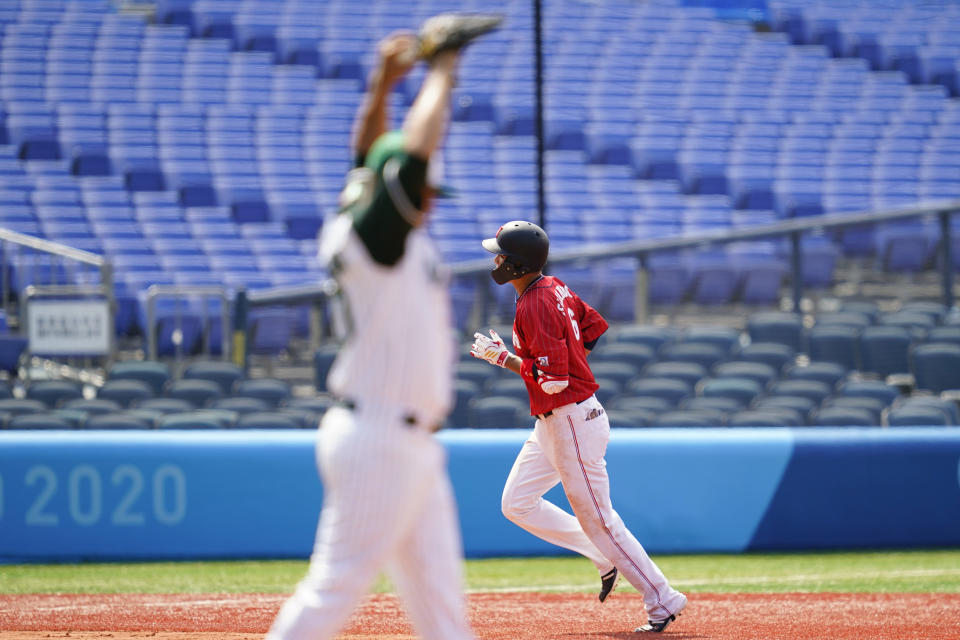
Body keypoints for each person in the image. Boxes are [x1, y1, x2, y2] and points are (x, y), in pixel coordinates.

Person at [266, 13, 503, 640]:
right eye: (423, 191)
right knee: (333, 589)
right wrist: (443, 69)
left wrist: (381, 85)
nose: (430, 201)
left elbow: (367, 156)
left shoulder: (362, 214)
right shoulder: (379, 238)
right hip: (379, 437)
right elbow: (411, 155)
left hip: (405, 441)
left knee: (444, 615)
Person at [470, 221, 688, 634]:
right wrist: (558, 355)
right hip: (557, 421)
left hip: (570, 416)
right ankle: (602, 556)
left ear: (515, 264)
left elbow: (555, 379)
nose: (494, 260)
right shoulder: (554, 287)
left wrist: (504, 359)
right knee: (517, 502)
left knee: (601, 519)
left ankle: (662, 599)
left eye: (499, 254)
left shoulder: (535, 302)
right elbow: (592, 329)